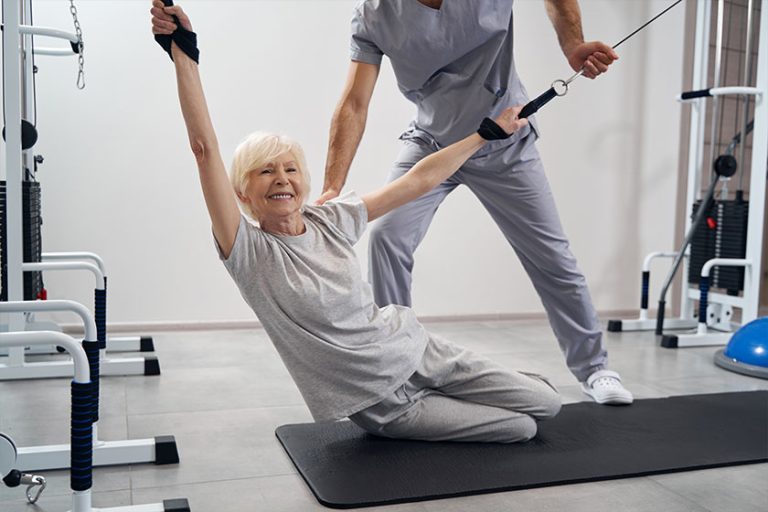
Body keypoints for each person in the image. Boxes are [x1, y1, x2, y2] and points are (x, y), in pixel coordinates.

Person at [150, 1, 561, 443]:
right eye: (265, 171)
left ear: (303, 181)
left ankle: (484, 385)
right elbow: (204, 148)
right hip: (384, 403)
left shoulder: (330, 219)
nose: (281, 179)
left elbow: (417, 180)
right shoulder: (248, 252)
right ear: (242, 193)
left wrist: (485, 134)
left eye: (289, 169)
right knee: (520, 428)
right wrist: (183, 55)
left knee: (549, 403)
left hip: (418, 350)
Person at [316, 0, 633, 405]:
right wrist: (331, 188)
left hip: (505, 140)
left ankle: (595, 368)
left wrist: (573, 44)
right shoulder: (374, 13)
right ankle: (397, 365)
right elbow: (354, 102)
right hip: (432, 145)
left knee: (552, 258)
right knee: (386, 237)